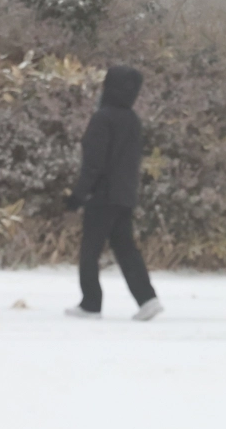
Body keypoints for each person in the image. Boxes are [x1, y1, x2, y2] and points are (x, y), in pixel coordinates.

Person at [65, 66, 163, 321]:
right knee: (125, 247)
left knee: (90, 249)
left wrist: (79, 194)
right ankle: (147, 299)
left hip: (102, 195)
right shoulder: (133, 120)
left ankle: (90, 303)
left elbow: (94, 162)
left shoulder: (103, 118)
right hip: (125, 194)